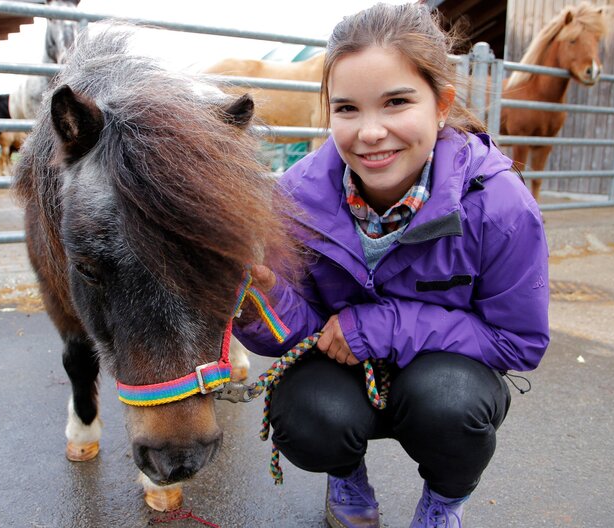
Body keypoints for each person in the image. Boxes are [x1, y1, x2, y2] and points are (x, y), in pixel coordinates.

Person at [232, 3, 550, 527]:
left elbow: (520, 341)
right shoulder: (291, 200)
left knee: (452, 405)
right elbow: (300, 335)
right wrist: (258, 300)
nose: (371, 132)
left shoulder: (501, 206)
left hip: (444, 376)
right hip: (341, 374)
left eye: (396, 102)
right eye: (347, 109)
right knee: (305, 417)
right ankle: (346, 474)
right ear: (327, 112)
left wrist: (383, 324)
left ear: (441, 103)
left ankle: (444, 504)